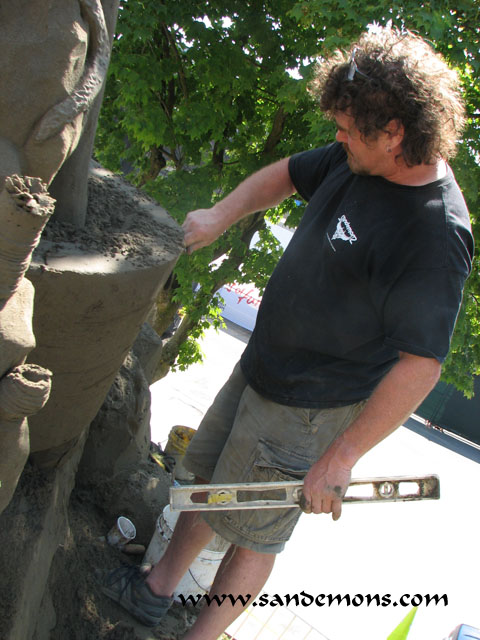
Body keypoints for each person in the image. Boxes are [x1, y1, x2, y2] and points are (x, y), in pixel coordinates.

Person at [102, 25, 474, 639]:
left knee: (256, 533)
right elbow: (285, 174)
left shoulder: (434, 232)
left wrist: (341, 457)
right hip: (263, 365)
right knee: (208, 488)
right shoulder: (359, 160)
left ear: (396, 132)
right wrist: (223, 214)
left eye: (349, 130)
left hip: (310, 408)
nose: (338, 138)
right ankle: (155, 590)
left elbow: (421, 365)